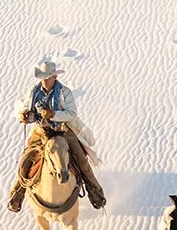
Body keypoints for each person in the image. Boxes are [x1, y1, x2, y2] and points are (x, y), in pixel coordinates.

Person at [7, 59, 105, 212]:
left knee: (81, 160)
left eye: (49, 77)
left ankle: (95, 192)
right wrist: (26, 116)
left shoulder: (64, 92)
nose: (45, 81)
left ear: (55, 77)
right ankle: (17, 194)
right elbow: (29, 110)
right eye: (43, 78)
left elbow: (71, 114)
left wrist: (53, 114)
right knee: (26, 159)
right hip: (41, 132)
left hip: (63, 131)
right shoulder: (33, 92)